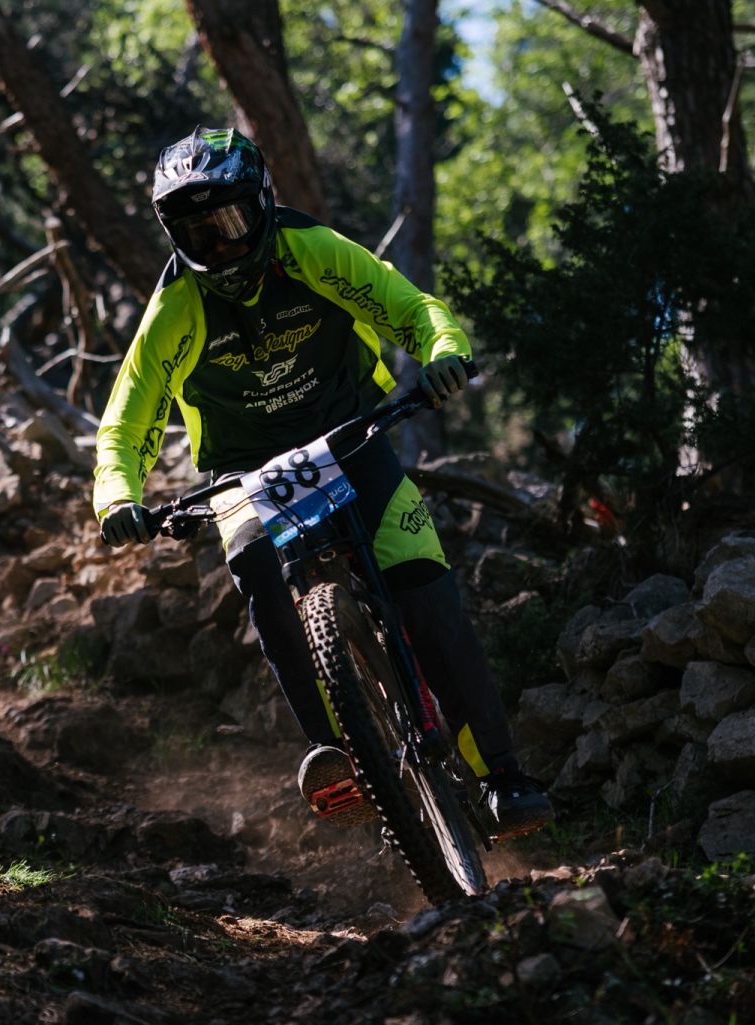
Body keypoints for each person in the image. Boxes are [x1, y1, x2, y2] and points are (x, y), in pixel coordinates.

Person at [92, 127, 554, 839]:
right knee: (255, 566)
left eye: (231, 223)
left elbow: (412, 308)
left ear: (263, 205)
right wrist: (118, 497)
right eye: (197, 233)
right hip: (244, 470)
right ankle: (335, 754)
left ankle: (502, 776)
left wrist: (443, 351)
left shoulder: (312, 251)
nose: (220, 247)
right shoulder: (173, 312)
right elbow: (124, 426)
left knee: (426, 593)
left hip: (351, 437)